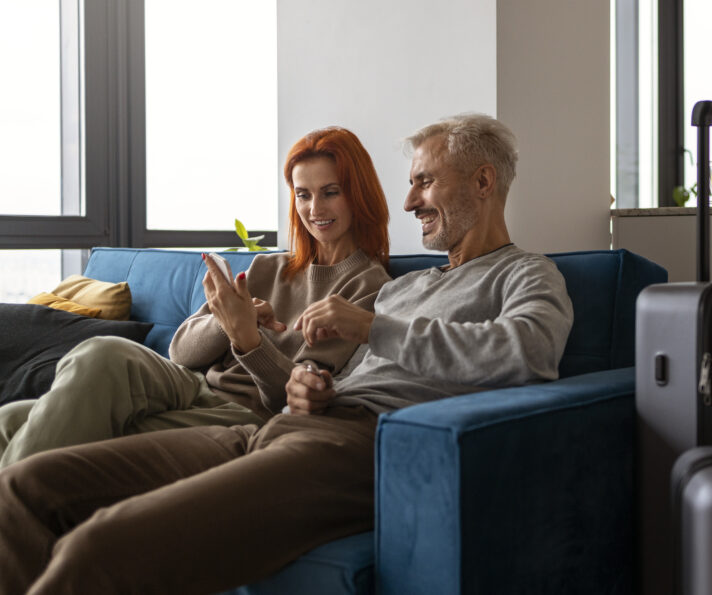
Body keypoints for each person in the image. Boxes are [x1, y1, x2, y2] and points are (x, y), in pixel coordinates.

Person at [0, 113, 573, 595]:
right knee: (23, 490)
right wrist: (310, 387)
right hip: (282, 427)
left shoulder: (525, 273)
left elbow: (528, 351)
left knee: (102, 546)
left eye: (424, 181)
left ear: (482, 181)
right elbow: (320, 373)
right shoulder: (407, 287)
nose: (409, 200)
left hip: (357, 447)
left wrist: (371, 328)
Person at [0, 126, 392, 468]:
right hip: (191, 385)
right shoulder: (265, 268)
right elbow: (180, 353)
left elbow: (291, 399)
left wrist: (247, 339)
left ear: (357, 195)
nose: (314, 208)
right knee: (98, 354)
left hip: (245, 414)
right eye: (303, 195)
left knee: (20, 421)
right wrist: (232, 320)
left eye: (330, 192)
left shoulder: (368, 288)